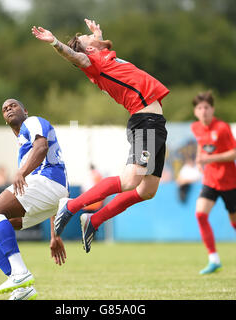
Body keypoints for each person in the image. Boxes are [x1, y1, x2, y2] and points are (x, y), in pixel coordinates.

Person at [32, 19, 169, 253]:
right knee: (129, 181)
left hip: (155, 123)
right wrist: (55, 42)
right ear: (91, 49)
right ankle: (71, 206)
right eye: (86, 37)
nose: (88, 35)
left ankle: (94, 220)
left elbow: (100, 49)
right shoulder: (93, 62)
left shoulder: (106, 58)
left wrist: (98, 33)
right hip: (145, 121)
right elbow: (77, 57)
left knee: (147, 191)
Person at [0, 98, 69, 300]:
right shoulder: (23, 144)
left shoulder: (33, 122)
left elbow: (42, 147)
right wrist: (55, 235)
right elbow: (51, 200)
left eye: (13, 105)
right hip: (53, 193)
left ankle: (20, 273)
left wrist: (21, 172)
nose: (9, 108)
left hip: (50, 182)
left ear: (25, 111)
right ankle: (23, 288)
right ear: (4, 119)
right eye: (4, 109)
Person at [190, 91, 236, 275]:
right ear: (195, 111)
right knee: (200, 215)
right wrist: (199, 159)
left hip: (229, 180)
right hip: (210, 179)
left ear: (213, 109)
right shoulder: (195, 127)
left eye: (206, 108)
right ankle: (214, 260)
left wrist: (210, 159)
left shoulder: (223, 128)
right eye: (200, 108)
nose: (203, 111)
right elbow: (202, 145)